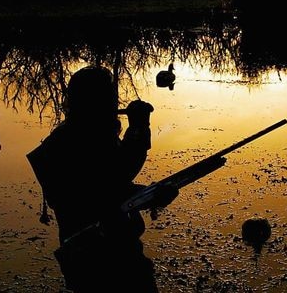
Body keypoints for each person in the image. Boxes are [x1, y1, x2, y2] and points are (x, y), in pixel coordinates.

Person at [26, 65, 178, 292]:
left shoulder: (81, 134)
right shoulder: (78, 141)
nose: (114, 104)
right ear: (94, 101)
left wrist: (149, 194)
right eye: (108, 97)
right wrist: (138, 129)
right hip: (103, 260)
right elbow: (114, 180)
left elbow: (110, 186)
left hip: (95, 257)